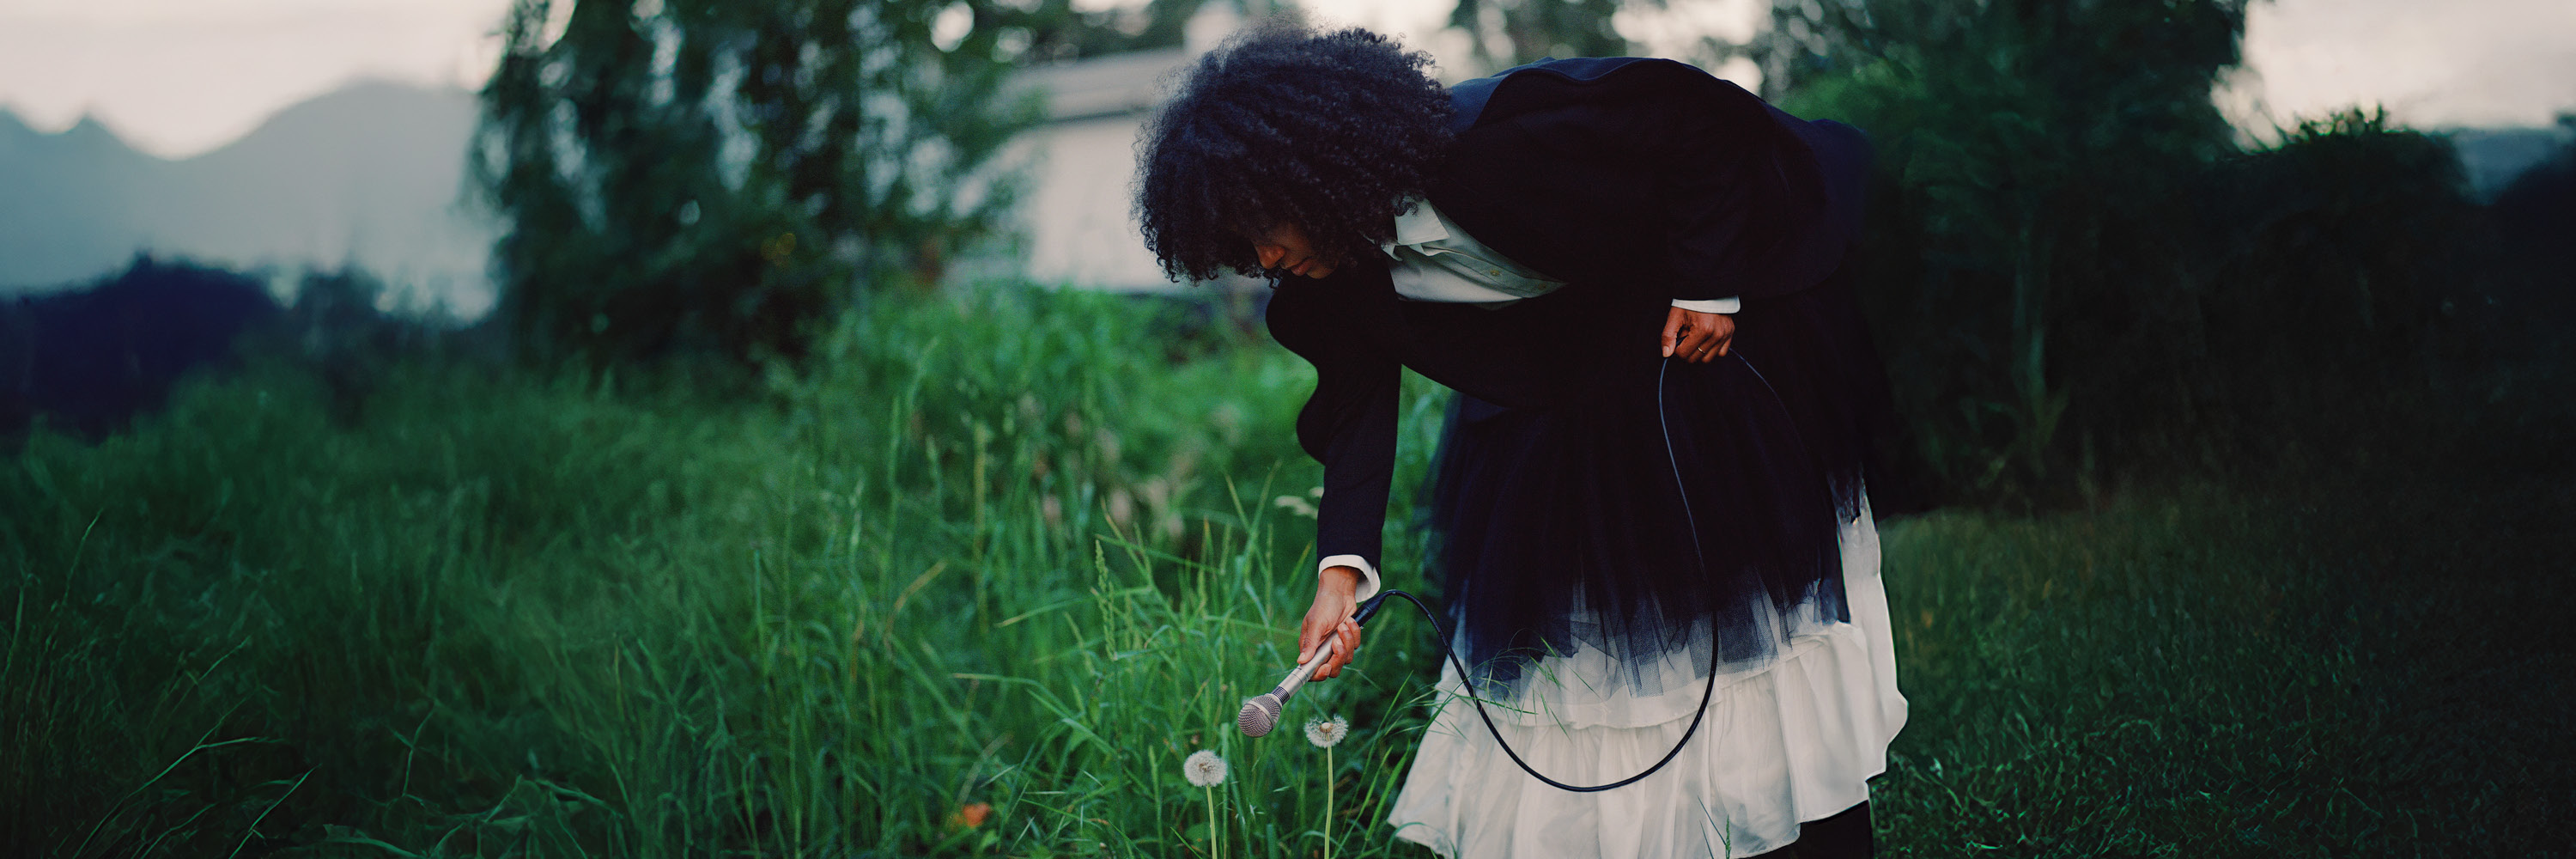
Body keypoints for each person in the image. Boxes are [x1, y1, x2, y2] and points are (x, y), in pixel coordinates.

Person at [1135, 22, 1911, 859]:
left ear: (1317, 168)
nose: (1264, 254)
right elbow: (1357, 413)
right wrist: (1340, 571)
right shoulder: (1321, 283)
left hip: (1692, 335)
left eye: (1266, 222)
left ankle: (1807, 832)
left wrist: (1708, 284)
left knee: (1745, 614)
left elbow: (1701, 120)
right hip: (1560, 398)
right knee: (1578, 657)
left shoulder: (1510, 134)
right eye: (1238, 245)